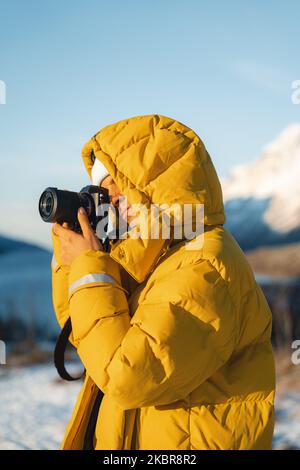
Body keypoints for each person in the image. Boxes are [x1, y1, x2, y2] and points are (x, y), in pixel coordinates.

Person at [51, 114, 275, 450]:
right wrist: (73, 261)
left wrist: (89, 268)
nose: (108, 205)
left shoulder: (206, 264)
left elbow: (127, 378)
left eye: (114, 188)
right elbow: (86, 334)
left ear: (153, 187)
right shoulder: (152, 259)